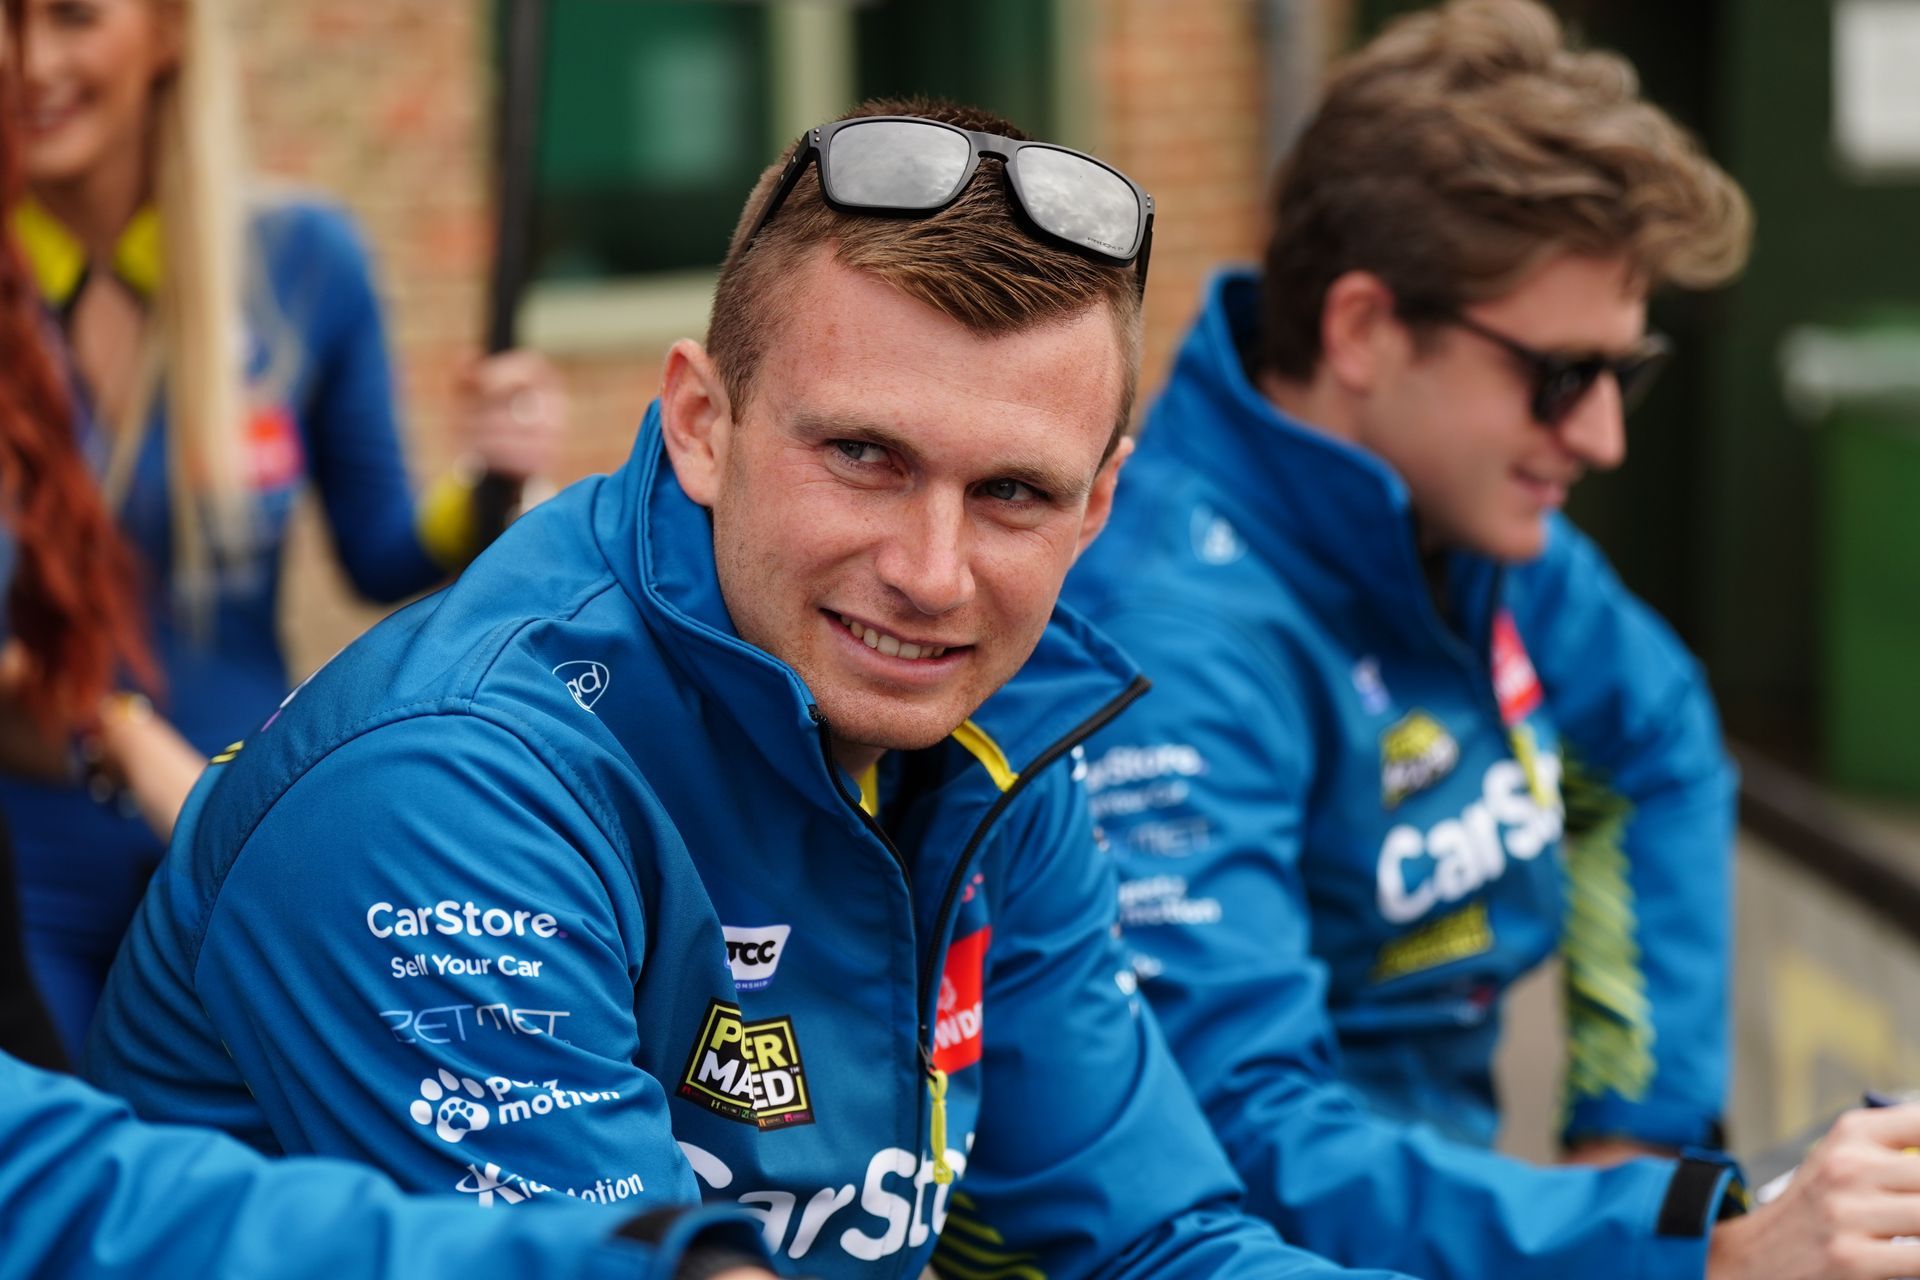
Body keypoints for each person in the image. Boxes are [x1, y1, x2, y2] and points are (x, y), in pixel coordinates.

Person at [87, 98, 1405, 1280]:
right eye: (864, 456)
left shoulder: (996, 715)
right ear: (699, 424)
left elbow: (1153, 1239)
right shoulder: (452, 785)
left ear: (1099, 502)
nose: (933, 575)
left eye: (1012, 492)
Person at [1061, 2, 1920, 1279]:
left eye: (1628, 377)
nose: (1601, 440)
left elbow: (1655, 742)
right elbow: (1234, 1143)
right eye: (1562, 375)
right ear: (1361, 329)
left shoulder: (1462, 518)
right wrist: (1689, 1243)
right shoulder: (1174, 646)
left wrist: (1633, 1141)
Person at [1, 0, 567, 1058]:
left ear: (167, 31)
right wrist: (122, 735)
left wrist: (486, 479)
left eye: (73, 19)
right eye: (5, 22)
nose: (28, 61)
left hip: (250, 841)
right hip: (34, 887)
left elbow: (383, 552)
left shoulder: (301, 262)